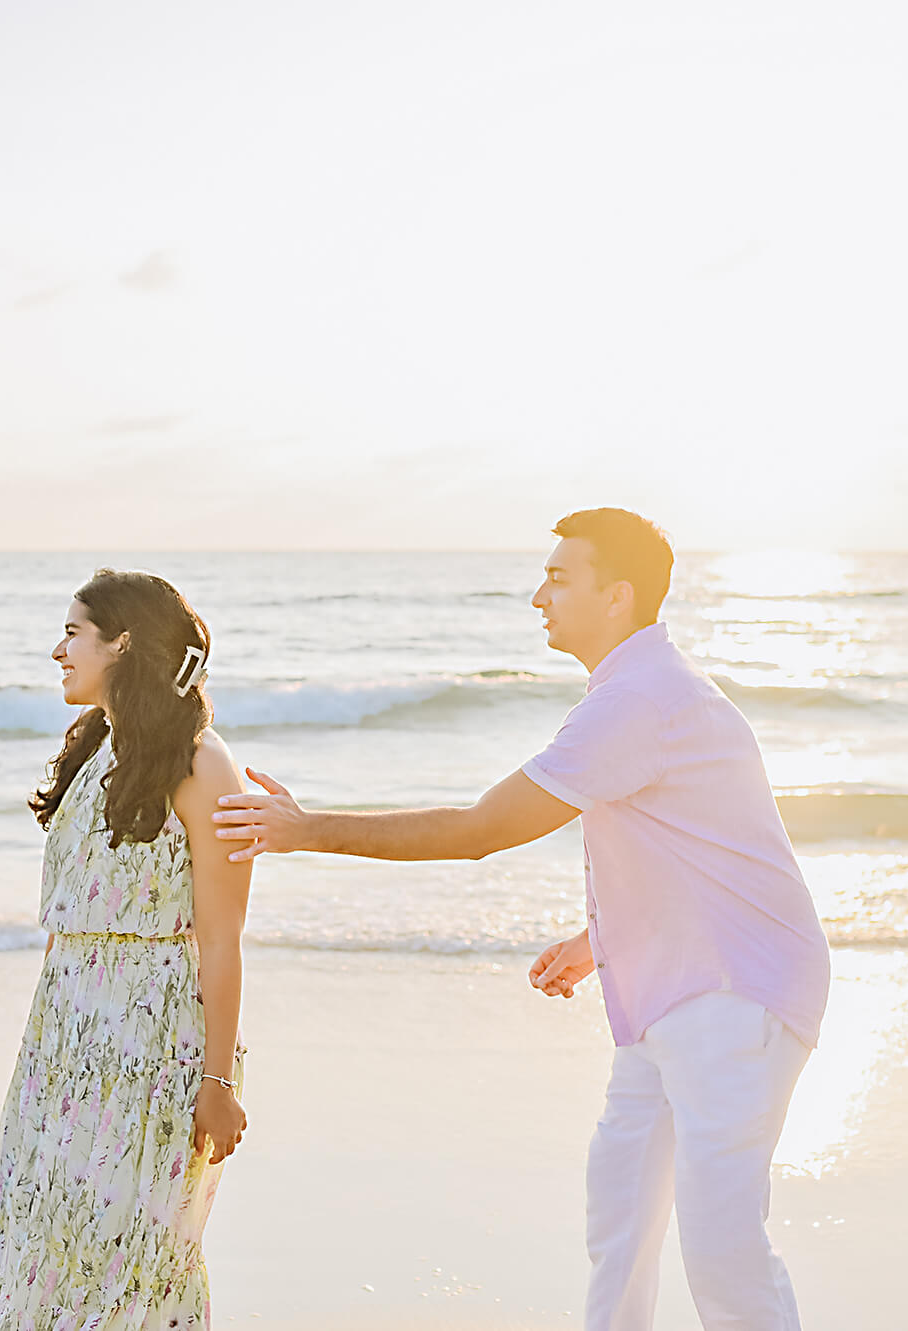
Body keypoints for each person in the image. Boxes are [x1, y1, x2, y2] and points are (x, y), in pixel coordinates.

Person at [213, 508, 831, 1331]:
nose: (538, 595)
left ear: (617, 596)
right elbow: (698, 847)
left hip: (733, 998)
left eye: (558, 577)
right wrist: (600, 939)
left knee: (721, 1247)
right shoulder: (638, 689)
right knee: (620, 1213)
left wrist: (309, 828)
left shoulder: (639, 699)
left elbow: (479, 832)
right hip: (675, 992)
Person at [0, 569, 252, 1331]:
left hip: (153, 1044)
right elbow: (68, 924)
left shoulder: (203, 765)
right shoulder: (93, 752)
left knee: (128, 1257)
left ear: (124, 642)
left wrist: (217, 1078)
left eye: (74, 632)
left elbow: (220, 939)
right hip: (64, 1040)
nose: (58, 650)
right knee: (34, 1237)